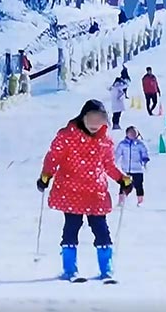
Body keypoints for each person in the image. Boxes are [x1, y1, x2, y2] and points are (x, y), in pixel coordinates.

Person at [36, 99, 133, 281]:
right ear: (83, 117)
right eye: (92, 119)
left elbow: (108, 164)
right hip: (70, 189)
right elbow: (53, 157)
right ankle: (69, 268)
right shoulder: (67, 136)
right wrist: (46, 175)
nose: (96, 125)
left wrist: (122, 178)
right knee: (72, 227)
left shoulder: (105, 141)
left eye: (100, 119)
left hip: (95, 191)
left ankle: (106, 268)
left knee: (101, 229)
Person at [115, 126, 150, 206]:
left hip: (137, 169)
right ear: (127, 134)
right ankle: (121, 200)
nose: (133, 135)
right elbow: (117, 154)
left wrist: (145, 159)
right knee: (124, 185)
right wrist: (114, 161)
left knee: (138, 185)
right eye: (131, 133)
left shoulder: (140, 144)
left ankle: (140, 201)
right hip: (126, 170)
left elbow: (145, 152)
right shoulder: (123, 144)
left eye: (134, 133)